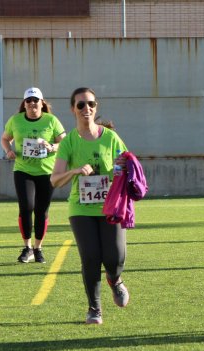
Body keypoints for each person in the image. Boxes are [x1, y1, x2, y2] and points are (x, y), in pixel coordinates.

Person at [51, 87, 130, 325]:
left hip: (110, 206)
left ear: (96, 107)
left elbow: (128, 163)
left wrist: (122, 165)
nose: (87, 109)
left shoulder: (110, 137)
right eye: (81, 105)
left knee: (114, 256)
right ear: (73, 109)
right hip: (81, 208)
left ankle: (115, 280)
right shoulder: (69, 143)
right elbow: (54, 179)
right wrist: (76, 170)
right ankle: (94, 308)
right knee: (90, 257)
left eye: (91, 104)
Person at [1, 87, 65, 264]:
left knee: (41, 210)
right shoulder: (16, 120)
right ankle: (27, 247)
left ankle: (38, 248)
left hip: (46, 171)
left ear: (42, 102)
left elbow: (64, 141)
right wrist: (8, 151)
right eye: (28, 101)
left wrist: (52, 147)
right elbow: (5, 138)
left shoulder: (51, 120)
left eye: (35, 100)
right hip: (23, 170)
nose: (32, 104)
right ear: (24, 104)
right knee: (26, 207)